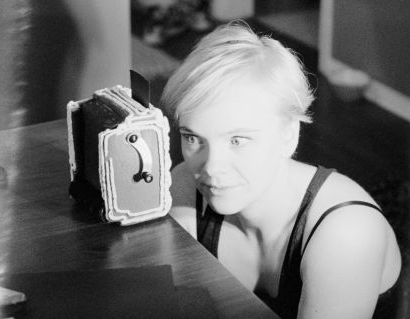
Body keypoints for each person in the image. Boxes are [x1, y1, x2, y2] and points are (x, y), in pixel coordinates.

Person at [162, 21, 401, 319]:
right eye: (193, 138)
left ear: (289, 136)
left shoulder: (346, 234)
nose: (211, 167)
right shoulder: (184, 185)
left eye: (238, 140)